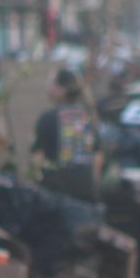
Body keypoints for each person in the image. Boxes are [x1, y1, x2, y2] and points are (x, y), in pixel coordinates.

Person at [31, 68, 101, 199]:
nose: (47, 87)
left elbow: (38, 157)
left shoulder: (48, 118)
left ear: (61, 90)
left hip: (56, 194)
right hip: (86, 190)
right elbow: (97, 155)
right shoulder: (87, 118)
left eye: (51, 83)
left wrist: (37, 183)